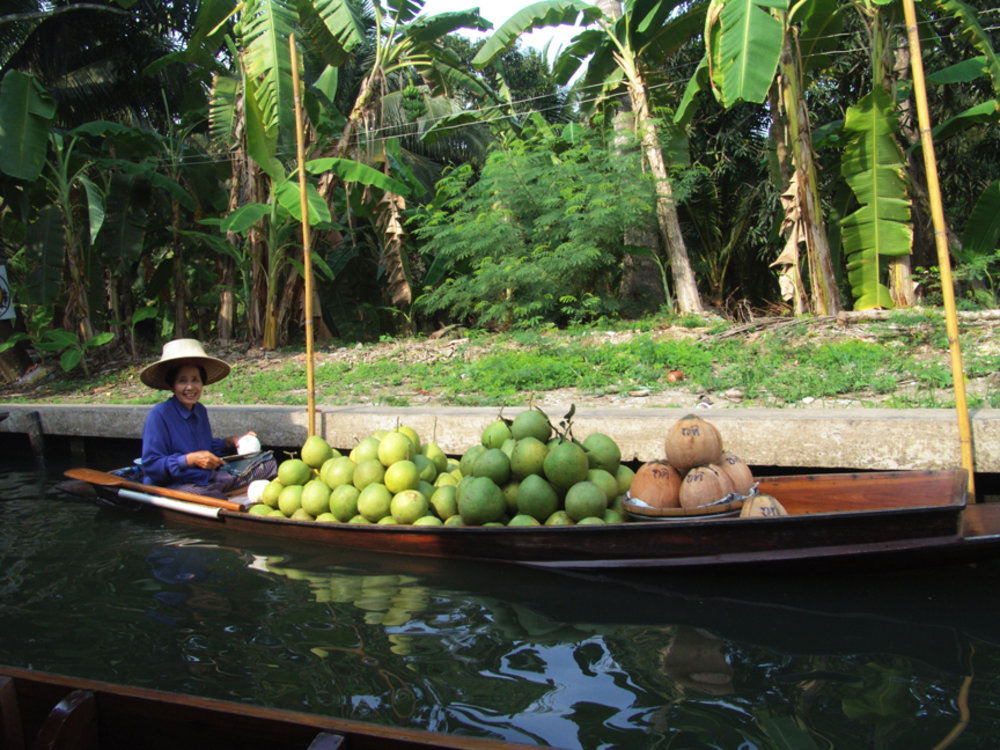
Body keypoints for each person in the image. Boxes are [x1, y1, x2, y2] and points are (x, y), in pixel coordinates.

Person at [140, 338, 272, 499]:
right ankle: (224, 493)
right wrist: (189, 460)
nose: (190, 387)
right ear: (173, 385)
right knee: (206, 495)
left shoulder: (200, 410)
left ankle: (224, 489)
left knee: (268, 465)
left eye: (195, 380)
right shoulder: (159, 415)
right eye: (182, 381)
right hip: (175, 484)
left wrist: (230, 442)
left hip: (206, 477)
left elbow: (206, 447)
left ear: (202, 383)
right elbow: (152, 465)